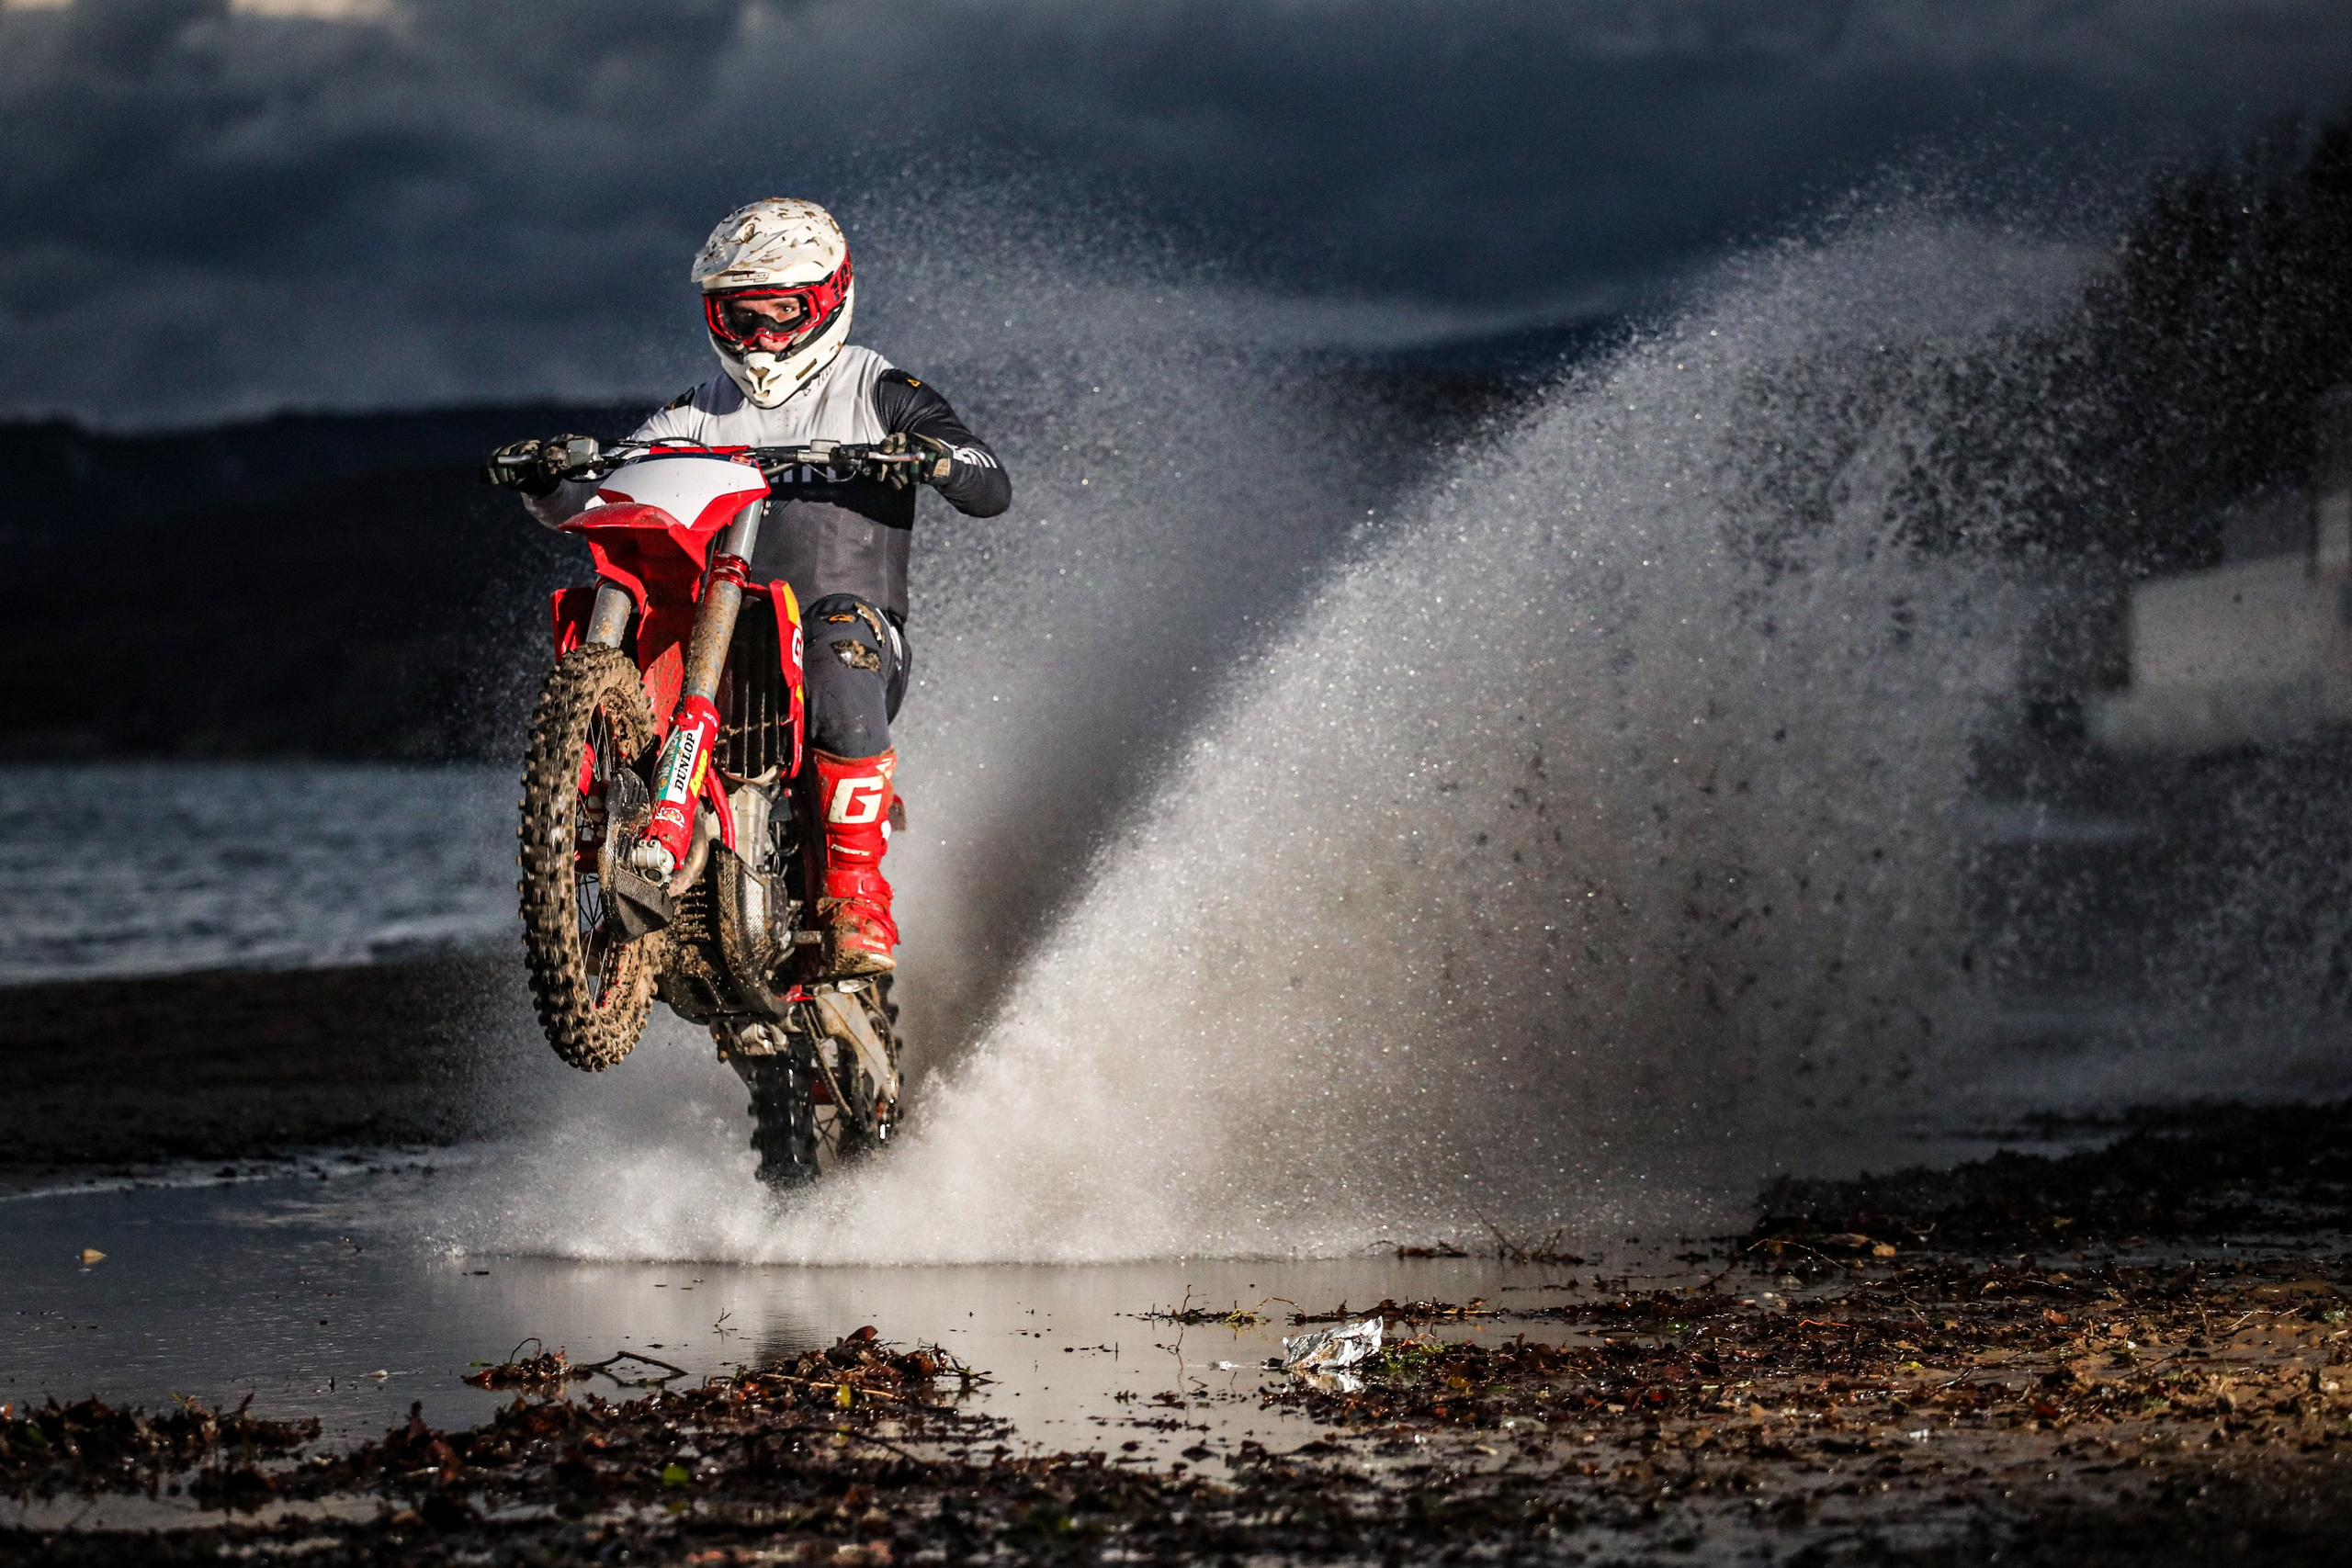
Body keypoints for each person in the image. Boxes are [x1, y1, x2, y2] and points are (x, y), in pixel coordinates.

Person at [487, 197, 1012, 977]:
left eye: (779, 315)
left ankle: (855, 893)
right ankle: (603, 821)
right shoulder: (698, 411)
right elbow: (604, 497)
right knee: (628, 597)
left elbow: (989, 481)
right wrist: (546, 483)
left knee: (841, 640)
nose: (760, 340)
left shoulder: (878, 388)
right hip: (721, 639)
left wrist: (930, 458)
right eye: (739, 319)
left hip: (851, 635)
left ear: (828, 302)